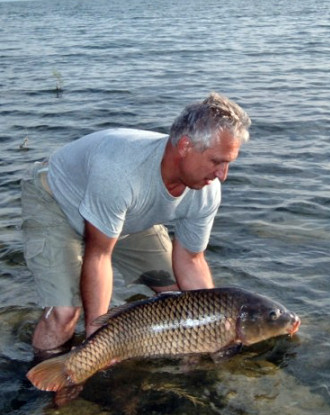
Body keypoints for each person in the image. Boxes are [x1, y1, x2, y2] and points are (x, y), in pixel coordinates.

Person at [21, 92, 251, 359]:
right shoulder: (120, 171)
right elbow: (98, 256)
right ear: (185, 146)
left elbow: (190, 259)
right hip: (56, 201)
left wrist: (214, 328)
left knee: (181, 302)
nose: (222, 175)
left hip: (124, 215)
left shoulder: (207, 189)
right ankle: (37, 383)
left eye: (228, 164)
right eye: (217, 162)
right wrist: (99, 341)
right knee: (65, 314)